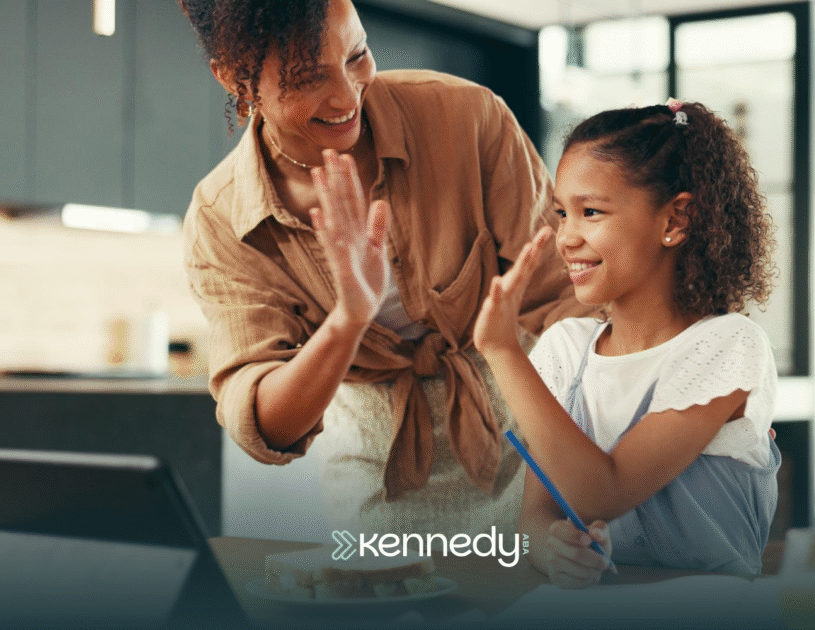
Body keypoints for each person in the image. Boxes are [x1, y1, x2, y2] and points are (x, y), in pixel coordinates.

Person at [178, 0, 589, 541]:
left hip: (525, 443)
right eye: (307, 78)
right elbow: (263, 425)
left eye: (358, 55)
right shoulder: (222, 218)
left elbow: (565, 299)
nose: (348, 95)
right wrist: (349, 319)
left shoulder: (466, 118)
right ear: (236, 78)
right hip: (379, 471)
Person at [473, 99, 781, 586]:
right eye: (561, 213)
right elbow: (537, 516)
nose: (565, 237)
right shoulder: (566, 348)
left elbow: (602, 493)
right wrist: (551, 550)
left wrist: (502, 350)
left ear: (676, 220)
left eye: (589, 212)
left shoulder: (728, 346)